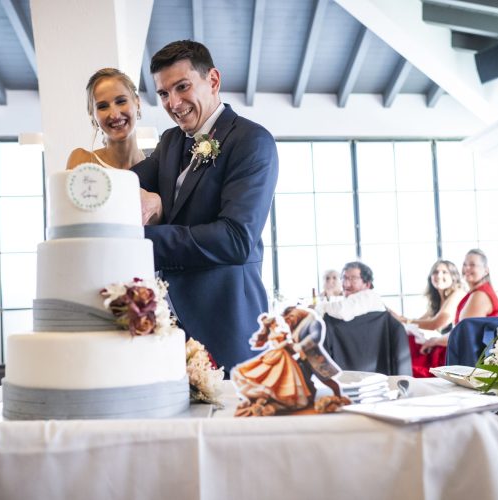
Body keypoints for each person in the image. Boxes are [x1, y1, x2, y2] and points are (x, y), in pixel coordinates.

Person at [131, 40, 278, 372]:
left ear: (213, 80)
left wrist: (140, 239)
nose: (173, 102)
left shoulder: (252, 142)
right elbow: (126, 183)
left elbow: (236, 239)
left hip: (228, 323)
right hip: (169, 331)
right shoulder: (170, 142)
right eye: (164, 93)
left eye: (182, 87)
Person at [231, 306, 341, 416]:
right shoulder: (296, 327)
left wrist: (298, 346)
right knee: (304, 380)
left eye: (290, 318)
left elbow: (315, 337)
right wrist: (290, 346)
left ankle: (338, 395)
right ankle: (310, 401)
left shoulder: (313, 322)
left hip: (315, 358)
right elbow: (291, 343)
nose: (288, 321)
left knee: (325, 379)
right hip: (302, 359)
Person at [420, 249, 498, 356]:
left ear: (486, 270)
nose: (467, 268)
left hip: (468, 358)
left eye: (472, 265)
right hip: (462, 350)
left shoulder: (480, 295)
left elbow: (463, 334)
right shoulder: (474, 293)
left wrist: (435, 341)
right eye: (464, 264)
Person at [393, 259, 465, 377]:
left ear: (454, 276)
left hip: (449, 351)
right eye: (435, 272)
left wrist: (403, 320)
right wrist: (398, 318)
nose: (438, 275)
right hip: (439, 347)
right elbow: (418, 322)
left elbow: (436, 324)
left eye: (444, 272)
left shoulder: (458, 294)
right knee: (408, 337)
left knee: (411, 350)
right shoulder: (436, 302)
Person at [66, 67, 146, 170]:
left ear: (137, 103)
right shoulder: (82, 162)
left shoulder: (155, 168)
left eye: (121, 101)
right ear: (93, 115)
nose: (115, 115)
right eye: (102, 106)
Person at [318, 261, 385, 321]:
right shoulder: (355, 300)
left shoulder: (368, 296)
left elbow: (343, 311)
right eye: (344, 278)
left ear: (367, 284)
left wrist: (319, 307)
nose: (346, 284)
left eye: (353, 278)